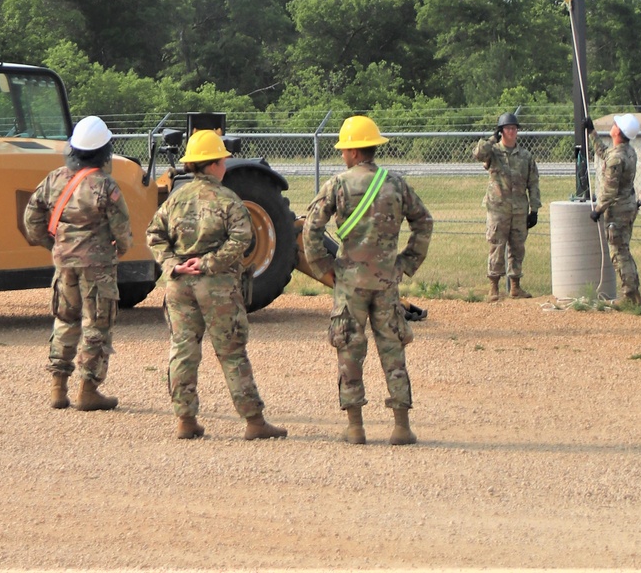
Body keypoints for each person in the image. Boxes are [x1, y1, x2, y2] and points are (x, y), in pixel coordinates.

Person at [146, 128, 287, 442]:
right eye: (222, 160)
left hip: (180, 285)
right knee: (232, 352)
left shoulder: (175, 198)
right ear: (211, 165)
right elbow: (243, 238)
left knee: (183, 351)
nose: (225, 165)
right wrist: (209, 263)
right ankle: (254, 421)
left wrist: (172, 264)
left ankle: (185, 420)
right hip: (218, 287)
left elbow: (154, 235)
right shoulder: (228, 199)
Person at [303, 115, 432, 446]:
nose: (342, 154)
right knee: (392, 349)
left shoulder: (338, 185)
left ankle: (355, 426)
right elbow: (424, 222)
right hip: (387, 281)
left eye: (345, 149)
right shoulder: (396, 184)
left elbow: (310, 227)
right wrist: (407, 262)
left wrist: (324, 268)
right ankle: (401, 426)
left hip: (349, 283)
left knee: (349, 349)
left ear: (355, 152)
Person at [23, 115, 132, 410]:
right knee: (96, 326)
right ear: (103, 151)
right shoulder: (106, 186)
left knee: (65, 320)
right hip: (97, 267)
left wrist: (53, 244)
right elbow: (123, 232)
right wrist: (116, 251)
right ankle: (88, 390)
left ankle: (58, 388)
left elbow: (31, 219)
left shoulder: (54, 179)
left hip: (64, 263)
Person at [472, 111, 541, 300]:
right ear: (501, 131)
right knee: (496, 246)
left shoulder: (525, 156)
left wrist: (534, 209)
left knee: (517, 248)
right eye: (508, 128)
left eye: (514, 128)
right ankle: (493, 286)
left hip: (519, 209)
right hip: (498, 208)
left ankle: (515, 286)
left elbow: (533, 182)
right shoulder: (493, 152)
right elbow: (477, 154)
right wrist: (492, 139)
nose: (512, 132)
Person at [586, 113, 641, 306]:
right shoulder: (627, 151)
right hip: (627, 207)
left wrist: (598, 210)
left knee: (619, 253)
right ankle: (634, 294)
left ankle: (629, 295)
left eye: (614, 124)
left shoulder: (617, 158)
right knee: (624, 250)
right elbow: (604, 153)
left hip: (617, 212)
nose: (612, 125)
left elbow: (609, 191)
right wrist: (592, 132)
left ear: (618, 131)